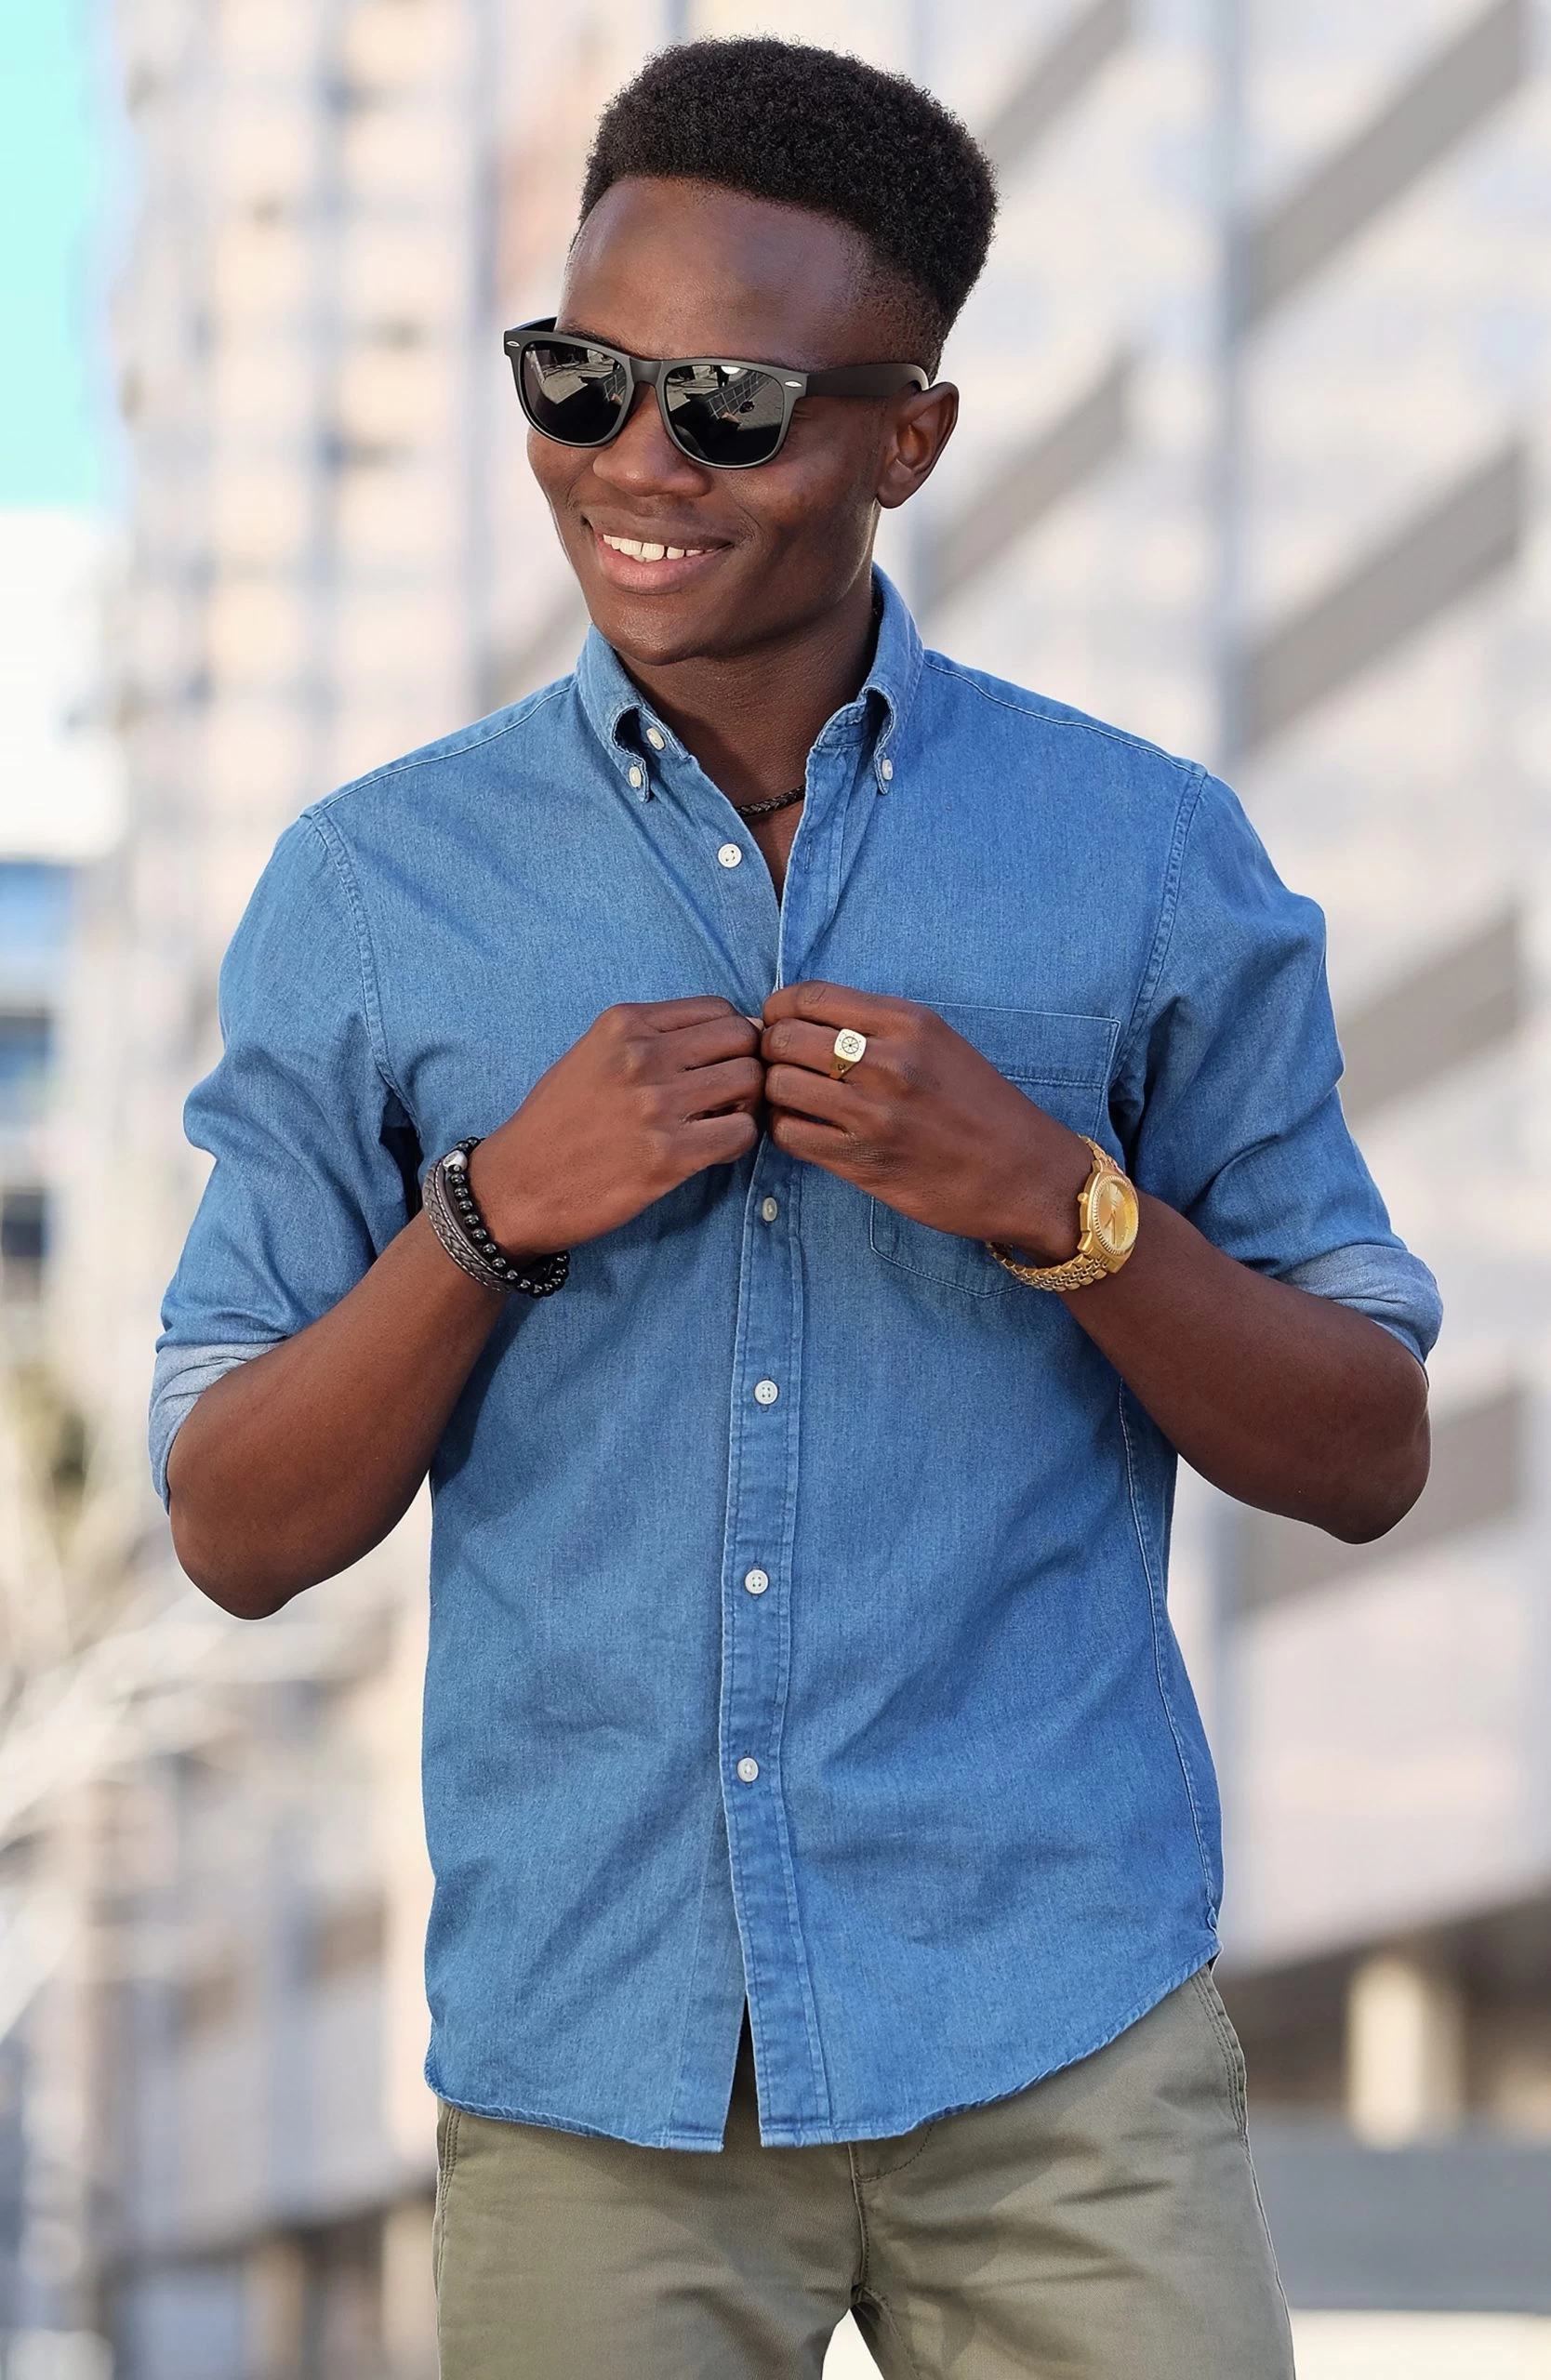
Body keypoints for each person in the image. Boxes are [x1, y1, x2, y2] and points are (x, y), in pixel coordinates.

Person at [152, 35, 1439, 2380]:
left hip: (1058, 2041)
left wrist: (1059, 1201)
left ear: (906, 439)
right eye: (577, 379)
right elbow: (233, 1524)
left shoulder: (1144, 855)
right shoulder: (371, 890)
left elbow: (1365, 1446)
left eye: (730, 409)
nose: (635, 464)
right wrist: (488, 1216)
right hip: (592, 2061)